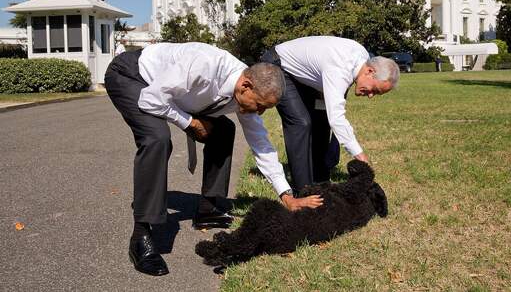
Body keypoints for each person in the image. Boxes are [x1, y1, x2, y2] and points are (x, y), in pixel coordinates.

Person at [104, 42, 323, 276]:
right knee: (157, 138)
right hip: (134, 76)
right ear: (246, 86)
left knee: (224, 130)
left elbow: (261, 143)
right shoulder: (203, 65)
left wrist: (286, 195)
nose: (259, 112)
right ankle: (141, 236)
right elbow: (151, 100)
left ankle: (208, 209)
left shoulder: (245, 90)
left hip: (172, 92)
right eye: (259, 106)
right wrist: (191, 123)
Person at [260, 36, 400, 193]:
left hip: (303, 78)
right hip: (277, 66)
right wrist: (360, 156)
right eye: (375, 90)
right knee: (301, 123)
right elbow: (337, 118)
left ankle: (321, 181)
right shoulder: (340, 68)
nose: (370, 95)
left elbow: (330, 114)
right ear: (369, 71)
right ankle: (303, 191)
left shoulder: (362, 60)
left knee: (321, 121)